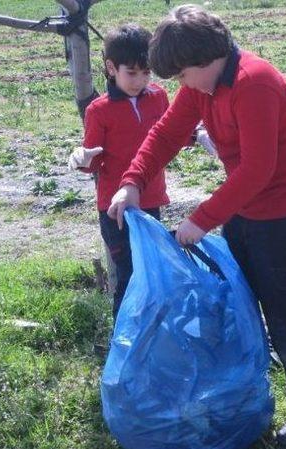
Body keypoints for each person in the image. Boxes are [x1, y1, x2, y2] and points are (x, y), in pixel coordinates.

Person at [106, 4, 286, 446]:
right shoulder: (206, 86)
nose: (180, 85)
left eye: (181, 76)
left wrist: (201, 219)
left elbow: (259, 170)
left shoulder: (254, 83)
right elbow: (167, 132)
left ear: (204, 61)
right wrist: (132, 181)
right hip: (247, 204)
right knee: (247, 299)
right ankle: (256, 383)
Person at [68, 24, 171, 319]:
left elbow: (173, 137)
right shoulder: (99, 110)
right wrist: (80, 158)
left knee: (153, 274)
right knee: (129, 276)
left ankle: (151, 336)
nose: (140, 80)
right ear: (111, 68)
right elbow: (93, 163)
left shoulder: (158, 97)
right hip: (116, 209)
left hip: (150, 200)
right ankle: (123, 343)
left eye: (146, 72)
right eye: (132, 73)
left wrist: (199, 135)